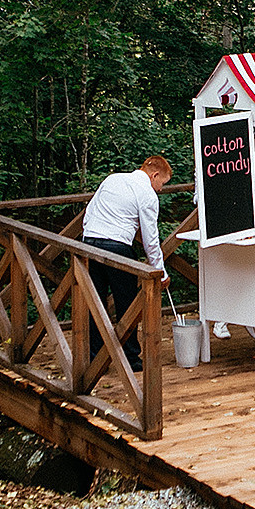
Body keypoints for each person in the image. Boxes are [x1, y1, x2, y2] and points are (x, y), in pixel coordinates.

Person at [82, 155, 174, 374]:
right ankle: (130, 357)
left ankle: (95, 357)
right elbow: (151, 239)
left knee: (95, 302)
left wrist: (90, 235)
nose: (161, 189)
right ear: (154, 175)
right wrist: (160, 272)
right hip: (117, 247)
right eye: (162, 183)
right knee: (127, 304)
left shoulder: (112, 179)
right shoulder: (147, 194)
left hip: (90, 243)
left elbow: (89, 212)